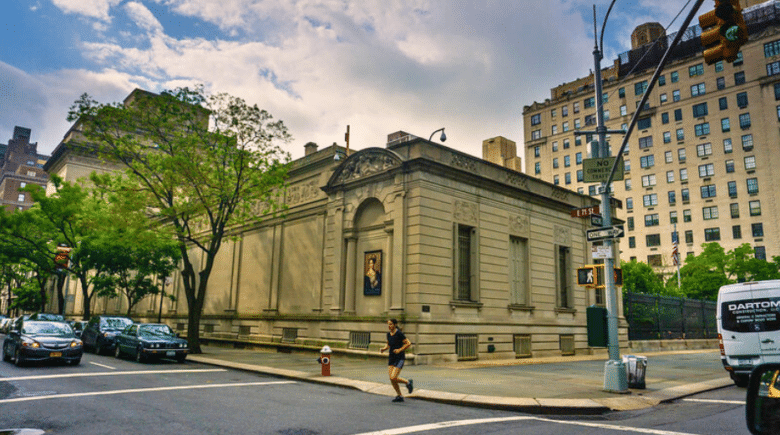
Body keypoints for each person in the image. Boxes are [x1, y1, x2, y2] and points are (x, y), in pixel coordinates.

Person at [380, 318, 413, 402]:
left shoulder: (399, 333)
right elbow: (388, 345)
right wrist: (384, 349)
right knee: (391, 378)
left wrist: (399, 350)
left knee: (393, 377)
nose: (389, 326)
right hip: (391, 357)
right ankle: (399, 395)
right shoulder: (388, 334)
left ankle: (408, 382)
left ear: (395, 325)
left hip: (399, 358)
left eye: (391, 324)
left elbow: (408, 343)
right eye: (388, 324)